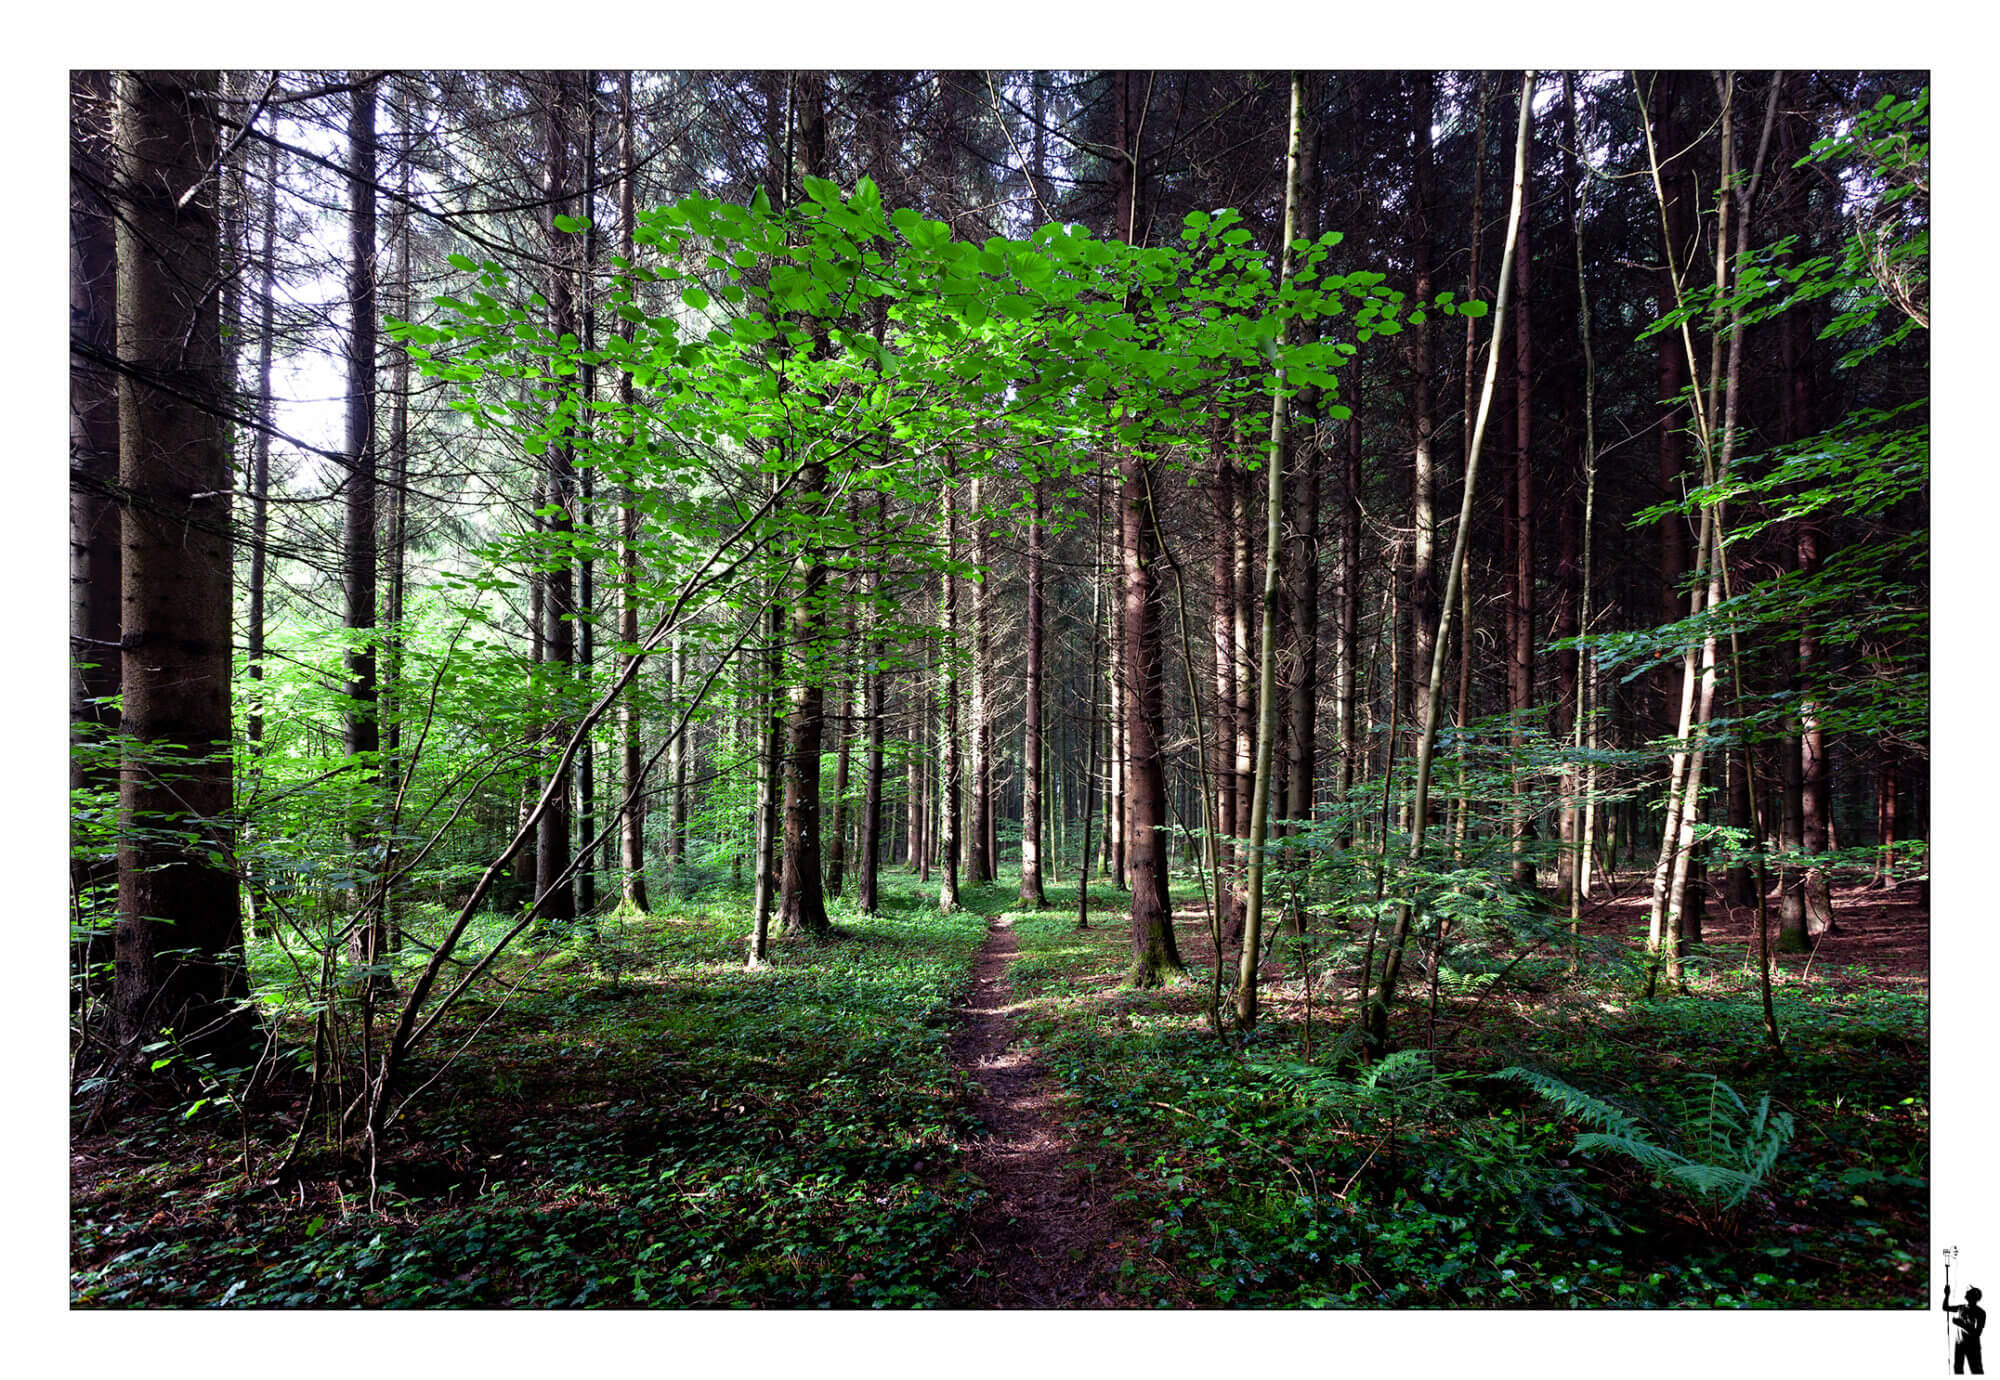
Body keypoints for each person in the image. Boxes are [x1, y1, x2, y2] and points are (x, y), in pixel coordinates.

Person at [1947, 1283, 1987, 1374]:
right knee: (1958, 1369)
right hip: (1959, 1344)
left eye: (1969, 1292)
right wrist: (1947, 1295)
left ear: (1973, 1296)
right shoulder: (1961, 1307)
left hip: (1972, 1346)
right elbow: (1945, 1307)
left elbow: (1977, 1333)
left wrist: (1960, 1324)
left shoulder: (1980, 1312)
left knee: (1976, 1370)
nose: (1966, 1293)